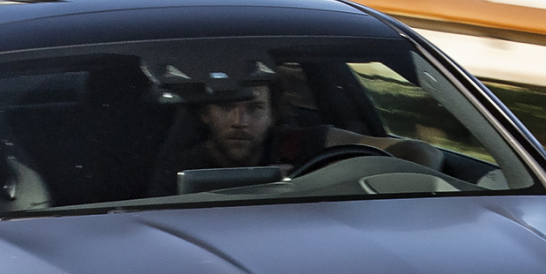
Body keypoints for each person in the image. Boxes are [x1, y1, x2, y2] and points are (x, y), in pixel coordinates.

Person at [144, 80, 439, 196]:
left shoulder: (305, 144)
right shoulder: (177, 172)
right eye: (225, 108)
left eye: (255, 109)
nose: (239, 122)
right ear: (205, 114)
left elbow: (420, 152)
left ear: (273, 115)